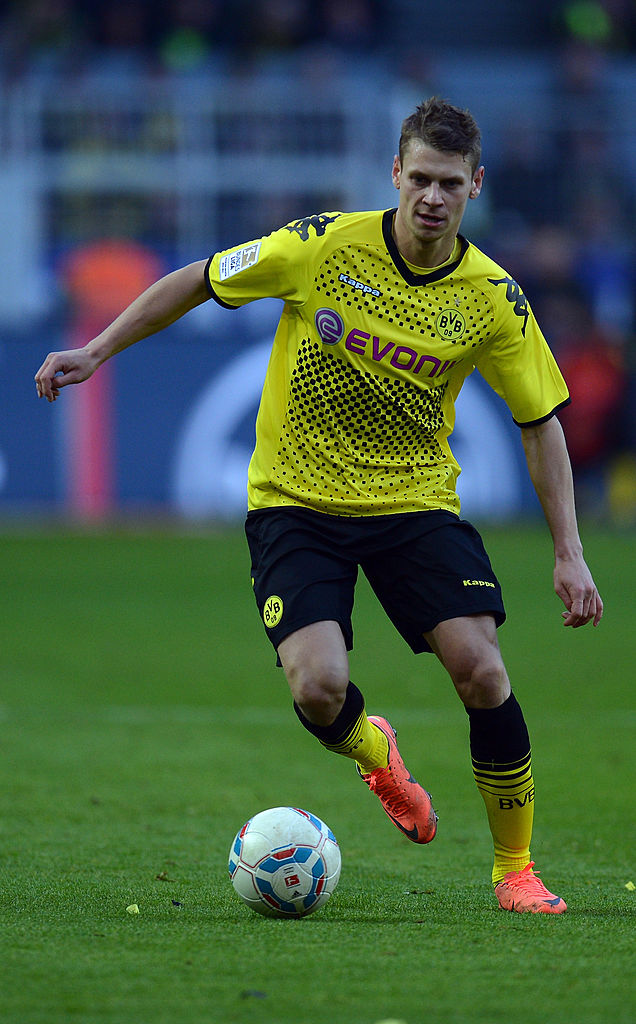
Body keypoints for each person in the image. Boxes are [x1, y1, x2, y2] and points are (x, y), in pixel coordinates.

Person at [35, 97, 603, 914]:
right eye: (419, 178)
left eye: (450, 183)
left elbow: (540, 423)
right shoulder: (323, 245)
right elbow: (200, 279)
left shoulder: (492, 297)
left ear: (476, 185)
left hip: (413, 504)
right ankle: (377, 755)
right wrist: (96, 350)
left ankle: (515, 870)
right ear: (394, 174)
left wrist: (569, 552)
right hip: (295, 502)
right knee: (317, 689)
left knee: (482, 670)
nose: (432, 197)